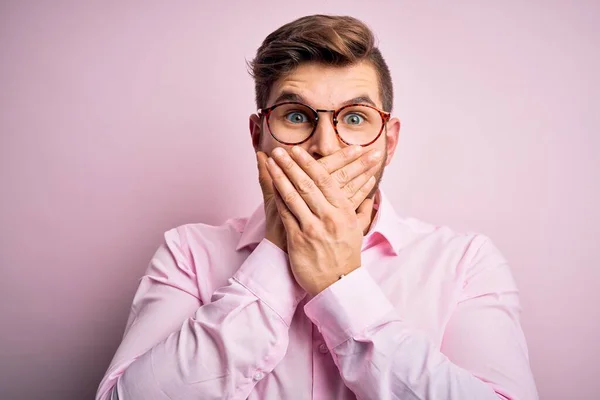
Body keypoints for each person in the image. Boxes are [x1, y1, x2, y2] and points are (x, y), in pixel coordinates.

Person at [96, 14, 538, 400]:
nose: (325, 146)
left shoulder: (464, 263)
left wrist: (339, 285)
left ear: (389, 140)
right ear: (257, 135)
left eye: (354, 118)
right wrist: (277, 255)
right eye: (295, 115)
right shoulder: (188, 254)